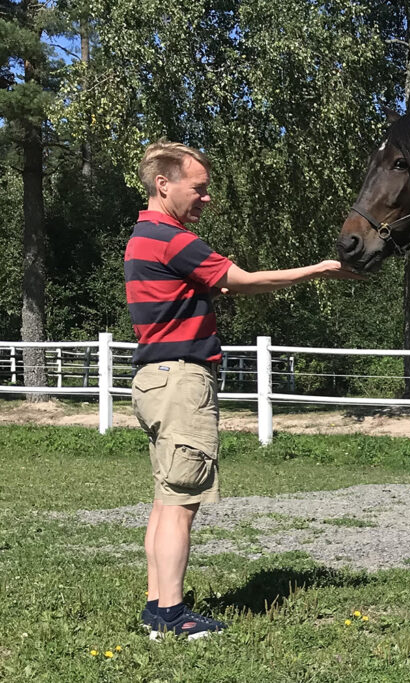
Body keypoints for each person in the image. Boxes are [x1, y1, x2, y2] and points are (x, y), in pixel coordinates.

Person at [125, 139, 361, 639]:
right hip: (181, 378)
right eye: (199, 188)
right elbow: (243, 280)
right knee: (181, 501)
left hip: (153, 378)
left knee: (167, 497)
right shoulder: (172, 237)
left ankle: (155, 605)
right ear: (163, 184)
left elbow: (222, 285)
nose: (206, 198)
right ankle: (172, 614)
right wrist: (316, 269)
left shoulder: (143, 236)